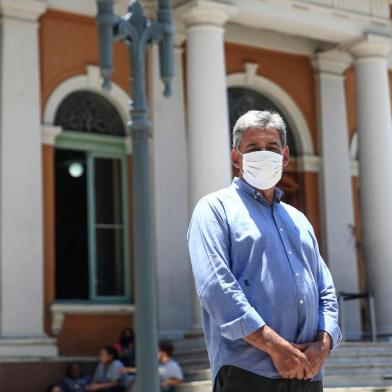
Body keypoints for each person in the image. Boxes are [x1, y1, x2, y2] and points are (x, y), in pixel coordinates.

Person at [187, 110, 342, 392]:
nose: (263, 154)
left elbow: (325, 290)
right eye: (253, 148)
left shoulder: (298, 220)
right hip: (247, 372)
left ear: (284, 156)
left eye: (271, 148)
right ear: (236, 157)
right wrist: (275, 347)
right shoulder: (214, 210)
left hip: (308, 372)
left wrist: (324, 342)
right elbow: (216, 288)